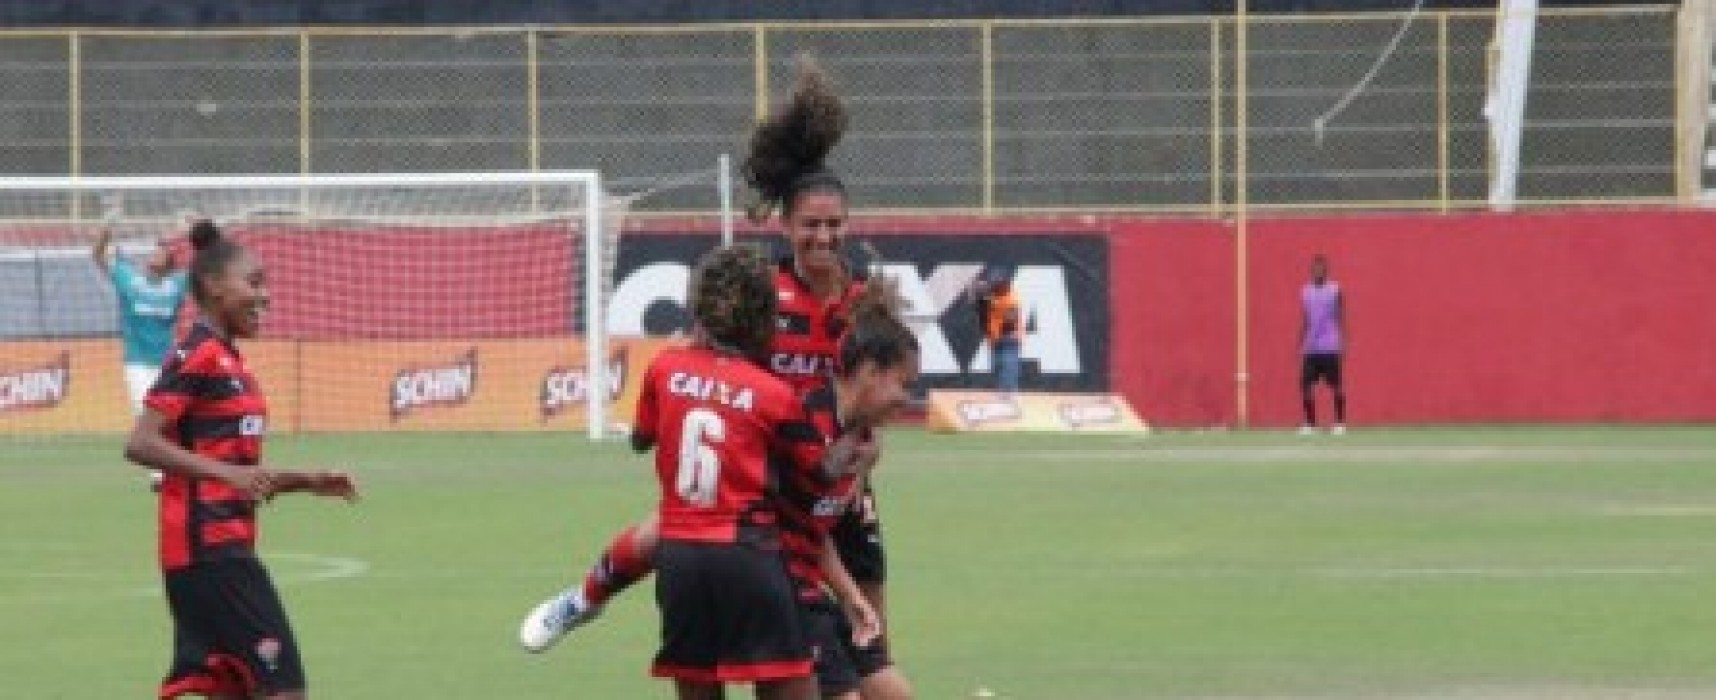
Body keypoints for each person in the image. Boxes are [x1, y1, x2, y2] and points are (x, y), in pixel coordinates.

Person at [519, 57, 916, 699]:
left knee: (872, 641)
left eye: (834, 225)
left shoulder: (864, 300)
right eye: (810, 225)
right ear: (785, 226)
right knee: (673, 529)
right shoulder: (765, 292)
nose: (823, 237)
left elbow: (881, 381)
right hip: (768, 467)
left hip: (838, 473)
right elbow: (710, 355)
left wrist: (862, 449)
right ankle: (584, 597)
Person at [629, 243, 878, 700]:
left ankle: (587, 595)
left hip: (680, 559)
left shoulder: (664, 367)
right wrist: (858, 447)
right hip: (749, 554)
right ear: (766, 318)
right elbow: (820, 470)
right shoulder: (773, 393)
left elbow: (640, 439)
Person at [124, 220, 359, 700]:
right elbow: (142, 443)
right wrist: (227, 473)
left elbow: (240, 473)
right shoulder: (197, 354)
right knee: (284, 690)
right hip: (208, 555)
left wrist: (308, 480)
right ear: (214, 287)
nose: (265, 296)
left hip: (223, 551)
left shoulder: (231, 362)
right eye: (254, 283)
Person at [93, 209, 192, 489]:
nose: (155, 253)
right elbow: (98, 257)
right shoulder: (129, 280)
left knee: (171, 416)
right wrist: (106, 229)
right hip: (136, 361)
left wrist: (191, 232)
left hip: (166, 362)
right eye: (155, 250)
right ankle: (158, 474)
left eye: (162, 251)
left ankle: (177, 465)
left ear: (170, 261)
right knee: (144, 412)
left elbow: (207, 264)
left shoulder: (177, 284)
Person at [1299, 253, 1347, 435]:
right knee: (1305, 385)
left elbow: (1340, 316)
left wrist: (1342, 341)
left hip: (1330, 346)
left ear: (1326, 270)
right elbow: (1306, 318)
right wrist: (1300, 341)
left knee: (1336, 385)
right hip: (1311, 348)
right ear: (1311, 271)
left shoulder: (1335, 290)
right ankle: (1310, 424)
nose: (1318, 271)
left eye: (1321, 268)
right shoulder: (1305, 291)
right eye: (1315, 268)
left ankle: (1340, 423)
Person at [972, 268, 1022, 396]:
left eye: (997, 283)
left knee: (1008, 364)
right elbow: (981, 311)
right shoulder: (991, 295)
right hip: (995, 338)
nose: (994, 286)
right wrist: (979, 297)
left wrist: (988, 301)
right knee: (997, 366)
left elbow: (1009, 323)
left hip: (1009, 337)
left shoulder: (1011, 299)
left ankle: (1009, 393)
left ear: (1005, 284)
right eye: (993, 283)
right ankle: (1003, 391)